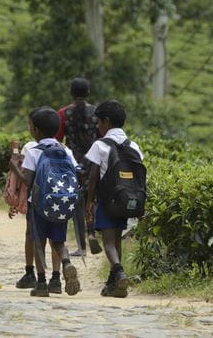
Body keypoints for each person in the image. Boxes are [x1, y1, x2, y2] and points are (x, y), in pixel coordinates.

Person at [9, 107, 81, 298]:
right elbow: (76, 174)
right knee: (58, 241)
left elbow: (27, 181)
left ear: (36, 130)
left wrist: (14, 167)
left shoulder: (34, 151)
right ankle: (62, 270)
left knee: (39, 242)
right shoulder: (66, 150)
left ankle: (41, 284)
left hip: (38, 205)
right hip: (62, 202)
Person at [83, 99, 144, 298]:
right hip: (127, 200)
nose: (98, 127)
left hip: (107, 201)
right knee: (117, 239)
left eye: (98, 122)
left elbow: (93, 176)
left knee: (108, 242)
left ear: (107, 121)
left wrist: (89, 201)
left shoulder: (100, 145)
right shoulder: (133, 145)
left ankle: (119, 272)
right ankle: (113, 285)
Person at [57, 77, 97, 256]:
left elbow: (57, 139)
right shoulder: (96, 113)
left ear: (70, 92)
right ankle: (92, 233)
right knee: (91, 199)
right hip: (93, 162)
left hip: (72, 164)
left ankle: (82, 247)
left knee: (77, 203)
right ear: (88, 93)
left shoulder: (64, 113)